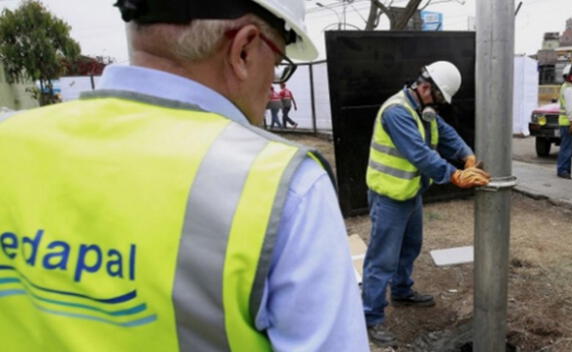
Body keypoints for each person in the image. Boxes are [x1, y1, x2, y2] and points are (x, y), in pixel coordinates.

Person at [0, 1, 369, 351]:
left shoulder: (10, 140)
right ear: (244, 50)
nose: (273, 80)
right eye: (277, 63)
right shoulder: (281, 184)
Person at [362, 61, 491, 346]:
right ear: (424, 87)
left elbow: (445, 133)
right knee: (381, 259)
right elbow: (419, 155)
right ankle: (370, 317)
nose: (440, 104)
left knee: (410, 246)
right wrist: (455, 175)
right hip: (389, 196)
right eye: (439, 97)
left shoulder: (423, 109)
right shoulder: (397, 112)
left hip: (409, 192)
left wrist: (466, 155)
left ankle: (402, 291)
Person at [557, 65, 572, 179]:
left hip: (567, 122)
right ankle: (562, 170)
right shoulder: (569, 89)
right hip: (567, 123)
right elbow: (569, 108)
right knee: (567, 148)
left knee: (569, 147)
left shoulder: (568, 87)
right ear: (569, 76)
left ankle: (567, 169)